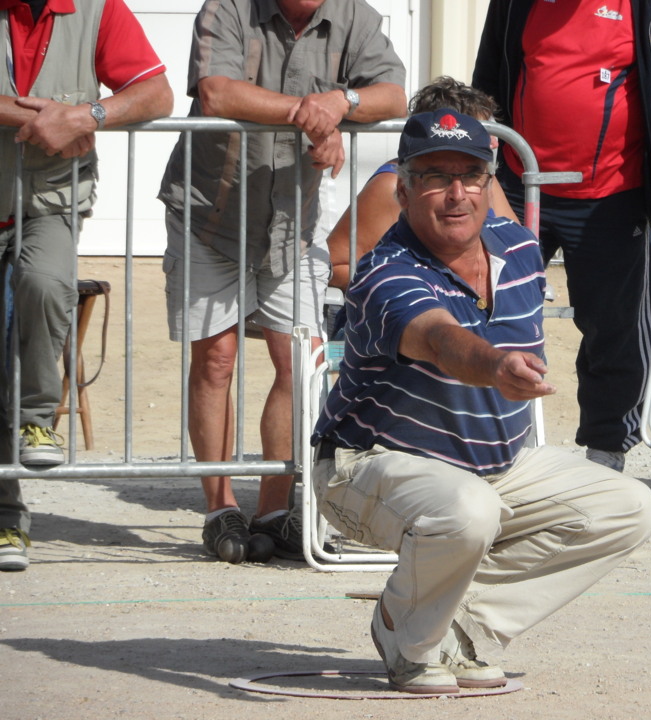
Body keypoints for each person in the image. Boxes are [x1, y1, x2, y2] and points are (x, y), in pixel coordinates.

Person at [312, 109, 651, 694]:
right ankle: (407, 636)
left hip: (494, 466)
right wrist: (494, 365)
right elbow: (440, 338)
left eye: (471, 175)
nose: (456, 193)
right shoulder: (386, 272)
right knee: (469, 510)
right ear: (402, 189)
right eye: (433, 176)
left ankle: (465, 629)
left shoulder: (520, 251)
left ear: (489, 184)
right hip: (365, 467)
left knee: (628, 507)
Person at [156, 0, 406, 565]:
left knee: (299, 362)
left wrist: (343, 101)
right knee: (215, 360)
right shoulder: (227, 8)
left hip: (294, 217)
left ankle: (273, 512)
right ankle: (220, 509)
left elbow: (394, 94)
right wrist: (309, 113)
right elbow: (216, 91)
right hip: (209, 213)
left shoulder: (355, 16)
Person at [472, 0, 651, 473]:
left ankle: (606, 450)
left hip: (612, 193)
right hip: (521, 183)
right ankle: (492, 444)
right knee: (492, 308)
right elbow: (489, 77)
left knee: (613, 327)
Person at [0, 0, 173, 572]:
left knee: (48, 284)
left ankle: (36, 420)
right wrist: (29, 119)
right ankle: (6, 515)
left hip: (49, 206)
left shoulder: (97, 10)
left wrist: (85, 116)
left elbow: (156, 93)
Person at [327, 76, 518, 294]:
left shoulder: (482, 179)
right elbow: (336, 264)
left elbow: (515, 248)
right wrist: (411, 289)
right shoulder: (393, 185)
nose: (495, 142)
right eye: (482, 132)